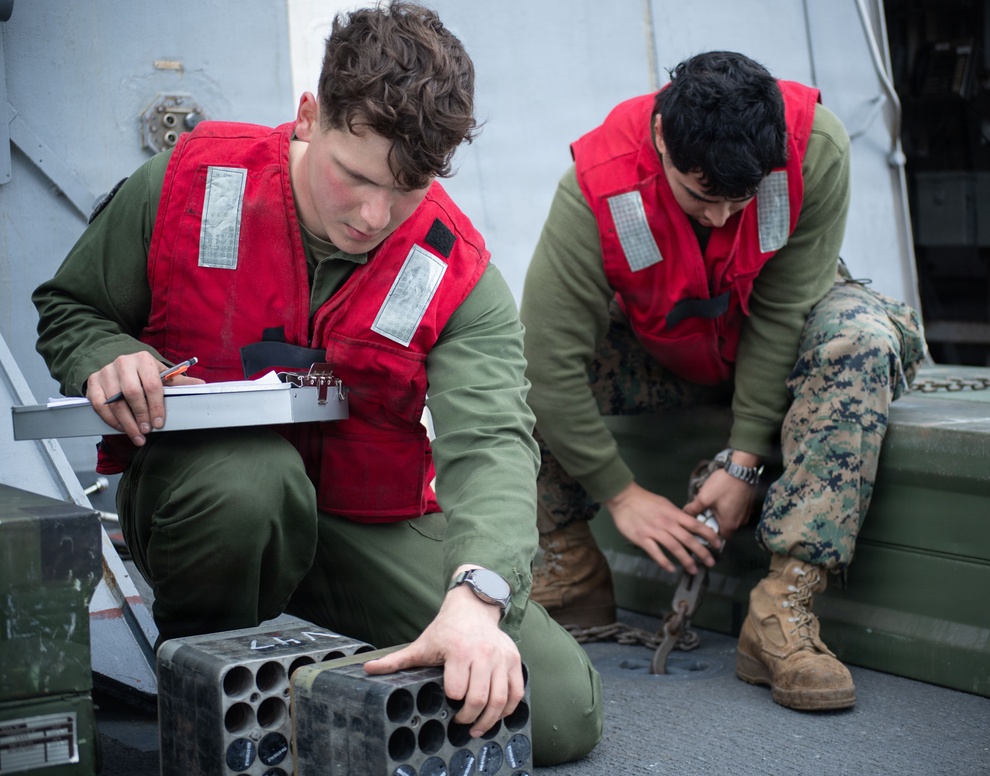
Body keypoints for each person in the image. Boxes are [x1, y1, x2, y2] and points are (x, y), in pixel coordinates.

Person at [32, 2, 601, 764]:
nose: (373, 215)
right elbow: (70, 310)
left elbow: (490, 438)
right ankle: (202, 682)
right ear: (308, 118)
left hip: (361, 521)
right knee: (250, 484)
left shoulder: (455, 270)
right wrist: (107, 350)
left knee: (556, 711)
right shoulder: (190, 184)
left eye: (407, 189)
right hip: (213, 505)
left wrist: (478, 599)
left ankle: (325, 674)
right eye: (355, 177)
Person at [521, 51, 927, 712]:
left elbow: (779, 313)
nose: (721, 220)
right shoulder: (599, 184)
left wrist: (742, 464)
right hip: (672, 353)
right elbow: (546, 357)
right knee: (511, 358)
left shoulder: (814, 149)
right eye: (702, 198)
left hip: (785, 335)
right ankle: (569, 567)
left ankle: (782, 609)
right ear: (660, 140)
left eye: (741, 200)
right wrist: (620, 495)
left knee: (860, 340)